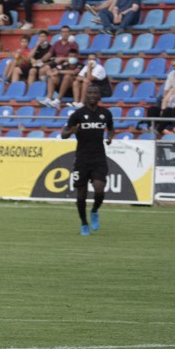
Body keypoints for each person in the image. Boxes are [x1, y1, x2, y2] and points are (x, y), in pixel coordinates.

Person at [61, 82, 114, 236]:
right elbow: (63, 135)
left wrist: (110, 138)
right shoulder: (77, 115)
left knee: (99, 190)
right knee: (81, 194)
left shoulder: (106, 113)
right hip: (82, 159)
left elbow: (111, 129)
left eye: (95, 93)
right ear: (86, 95)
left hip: (99, 157)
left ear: (99, 96)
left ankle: (95, 210)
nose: (92, 95)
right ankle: (84, 223)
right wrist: (70, 131)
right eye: (90, 93)